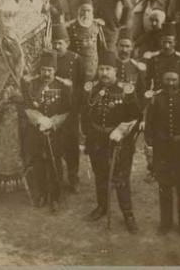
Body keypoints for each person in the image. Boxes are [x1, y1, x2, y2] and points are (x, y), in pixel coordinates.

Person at [82, 49, 140, 233]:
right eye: (101, 69)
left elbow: (136, 117)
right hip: (97, 141)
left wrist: (121, 130)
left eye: (108, 69)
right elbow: (85, 116)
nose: (104, 73)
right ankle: (102, 206)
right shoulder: (92, 89)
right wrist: (87, 138)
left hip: (119, 144)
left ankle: (128, 214)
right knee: (100, 176)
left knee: (121, 180)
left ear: (115, 71)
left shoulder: (126, 90)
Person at [144, 62, 180, 239]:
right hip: (162, 150)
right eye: (167, 79)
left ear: (179, 80)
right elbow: (149, 125)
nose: (170, 83)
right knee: (165, 187)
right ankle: (166, 223)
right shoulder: (156, 99)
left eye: (174, 79)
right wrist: (149, 146)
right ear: (162, 79)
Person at [20, 50, 72, 212]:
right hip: (36, 132)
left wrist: (52, 122)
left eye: (50, 70)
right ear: (39, 70)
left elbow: (67, 110)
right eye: (43, 70)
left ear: (55, 70)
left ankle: (55, 197)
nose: (46, 73)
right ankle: (42, 194)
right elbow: (27, 107)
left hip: (55, 133)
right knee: (38, 163)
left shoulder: (63, 86)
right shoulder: (31, 84)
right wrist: (39, 120)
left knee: (54, 163)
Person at [51, 22, 85, 192]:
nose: (57, 46)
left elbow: (82, 84)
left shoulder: (77, 60)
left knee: (72, 145)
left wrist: (76, 106)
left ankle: (73, 177)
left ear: (68, 43)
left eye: (60, 43)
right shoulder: (49, 58)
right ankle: (57, 179)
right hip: (54, 110)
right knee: (55, 145)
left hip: (71, 110)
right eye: (54, 43)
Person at [143, 21, 180, 93]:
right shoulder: (153, 59)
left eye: (170, 42)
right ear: (160, 41)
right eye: (164, 42)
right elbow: (147, 80)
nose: (167, 45)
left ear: (175, 42)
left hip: (177, 97)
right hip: (158, 98)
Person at [67, 0, 105, 81]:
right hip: (76, 68)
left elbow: (102, 48)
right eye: (83, 10)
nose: (86, 14)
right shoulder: (71, 27)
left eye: (88, 10)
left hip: (93, 68)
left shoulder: (97, 26)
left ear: (92, 12)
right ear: (78, 11)